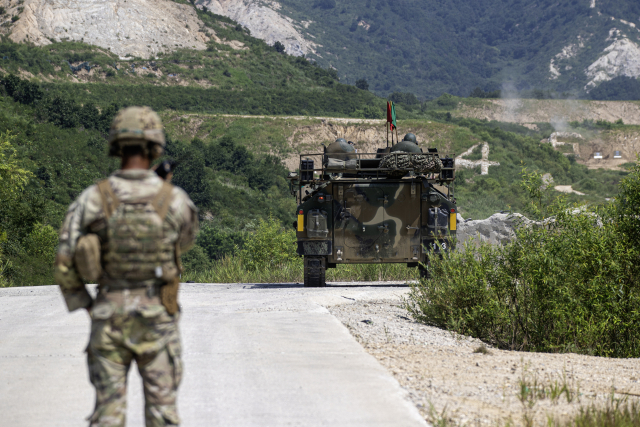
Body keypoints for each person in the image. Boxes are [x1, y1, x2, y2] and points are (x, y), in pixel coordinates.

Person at [54, 106, 199, 427]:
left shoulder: (93, 198)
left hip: (108, 318)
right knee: (163, 417)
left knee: (107, 417)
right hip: (157, 319)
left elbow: (64, 261)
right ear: (155, 146)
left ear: (116, 146)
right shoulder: (173, 199)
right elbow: (185, 242)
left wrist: (88, 306)